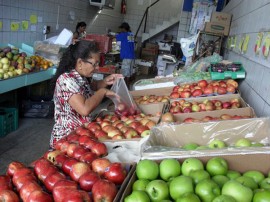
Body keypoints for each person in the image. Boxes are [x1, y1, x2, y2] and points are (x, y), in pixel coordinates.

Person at [50, 40, 122, 148]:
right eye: (95, 64)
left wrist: (105, 82)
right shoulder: (66, 80)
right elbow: (84, 109)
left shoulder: (81, 76)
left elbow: (89, 88)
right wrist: (103, 92)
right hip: (67, 140)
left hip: (82, 135)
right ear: (80, 63)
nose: (97, 67)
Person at [116, 22, 135, 87]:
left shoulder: (123, 34)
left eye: (121, 28)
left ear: (124, 28)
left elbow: (115, 37)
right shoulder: (131, 34)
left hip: (126, 56)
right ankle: (128, 86)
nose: (121, 30)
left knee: (124, 72)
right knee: (129, 71)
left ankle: (125, 87)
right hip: (131, 56)